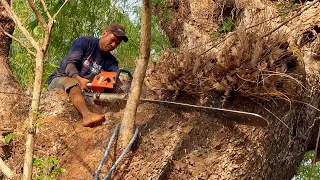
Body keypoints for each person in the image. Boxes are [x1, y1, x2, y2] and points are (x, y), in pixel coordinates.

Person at [47, 23, 128, 127]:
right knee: (73, 82)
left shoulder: (111, 61)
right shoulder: (85, 42)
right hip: (60, 79)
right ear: (104, 33)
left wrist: (119, 85)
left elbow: (115, 76)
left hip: (85, 89)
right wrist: (79, 79)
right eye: (113, 40)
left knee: (111, 90)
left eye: (117, 43)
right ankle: (87, 116)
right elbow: (70, 64)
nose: (114, 45)